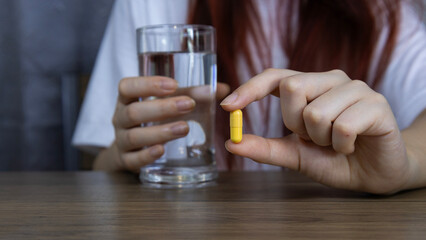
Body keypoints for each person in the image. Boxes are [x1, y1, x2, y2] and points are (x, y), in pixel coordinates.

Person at [73, 0, 426, 194]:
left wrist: (405, 162)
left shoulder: (380, 12)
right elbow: (96, 170)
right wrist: (124, 155)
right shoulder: (155, 6)